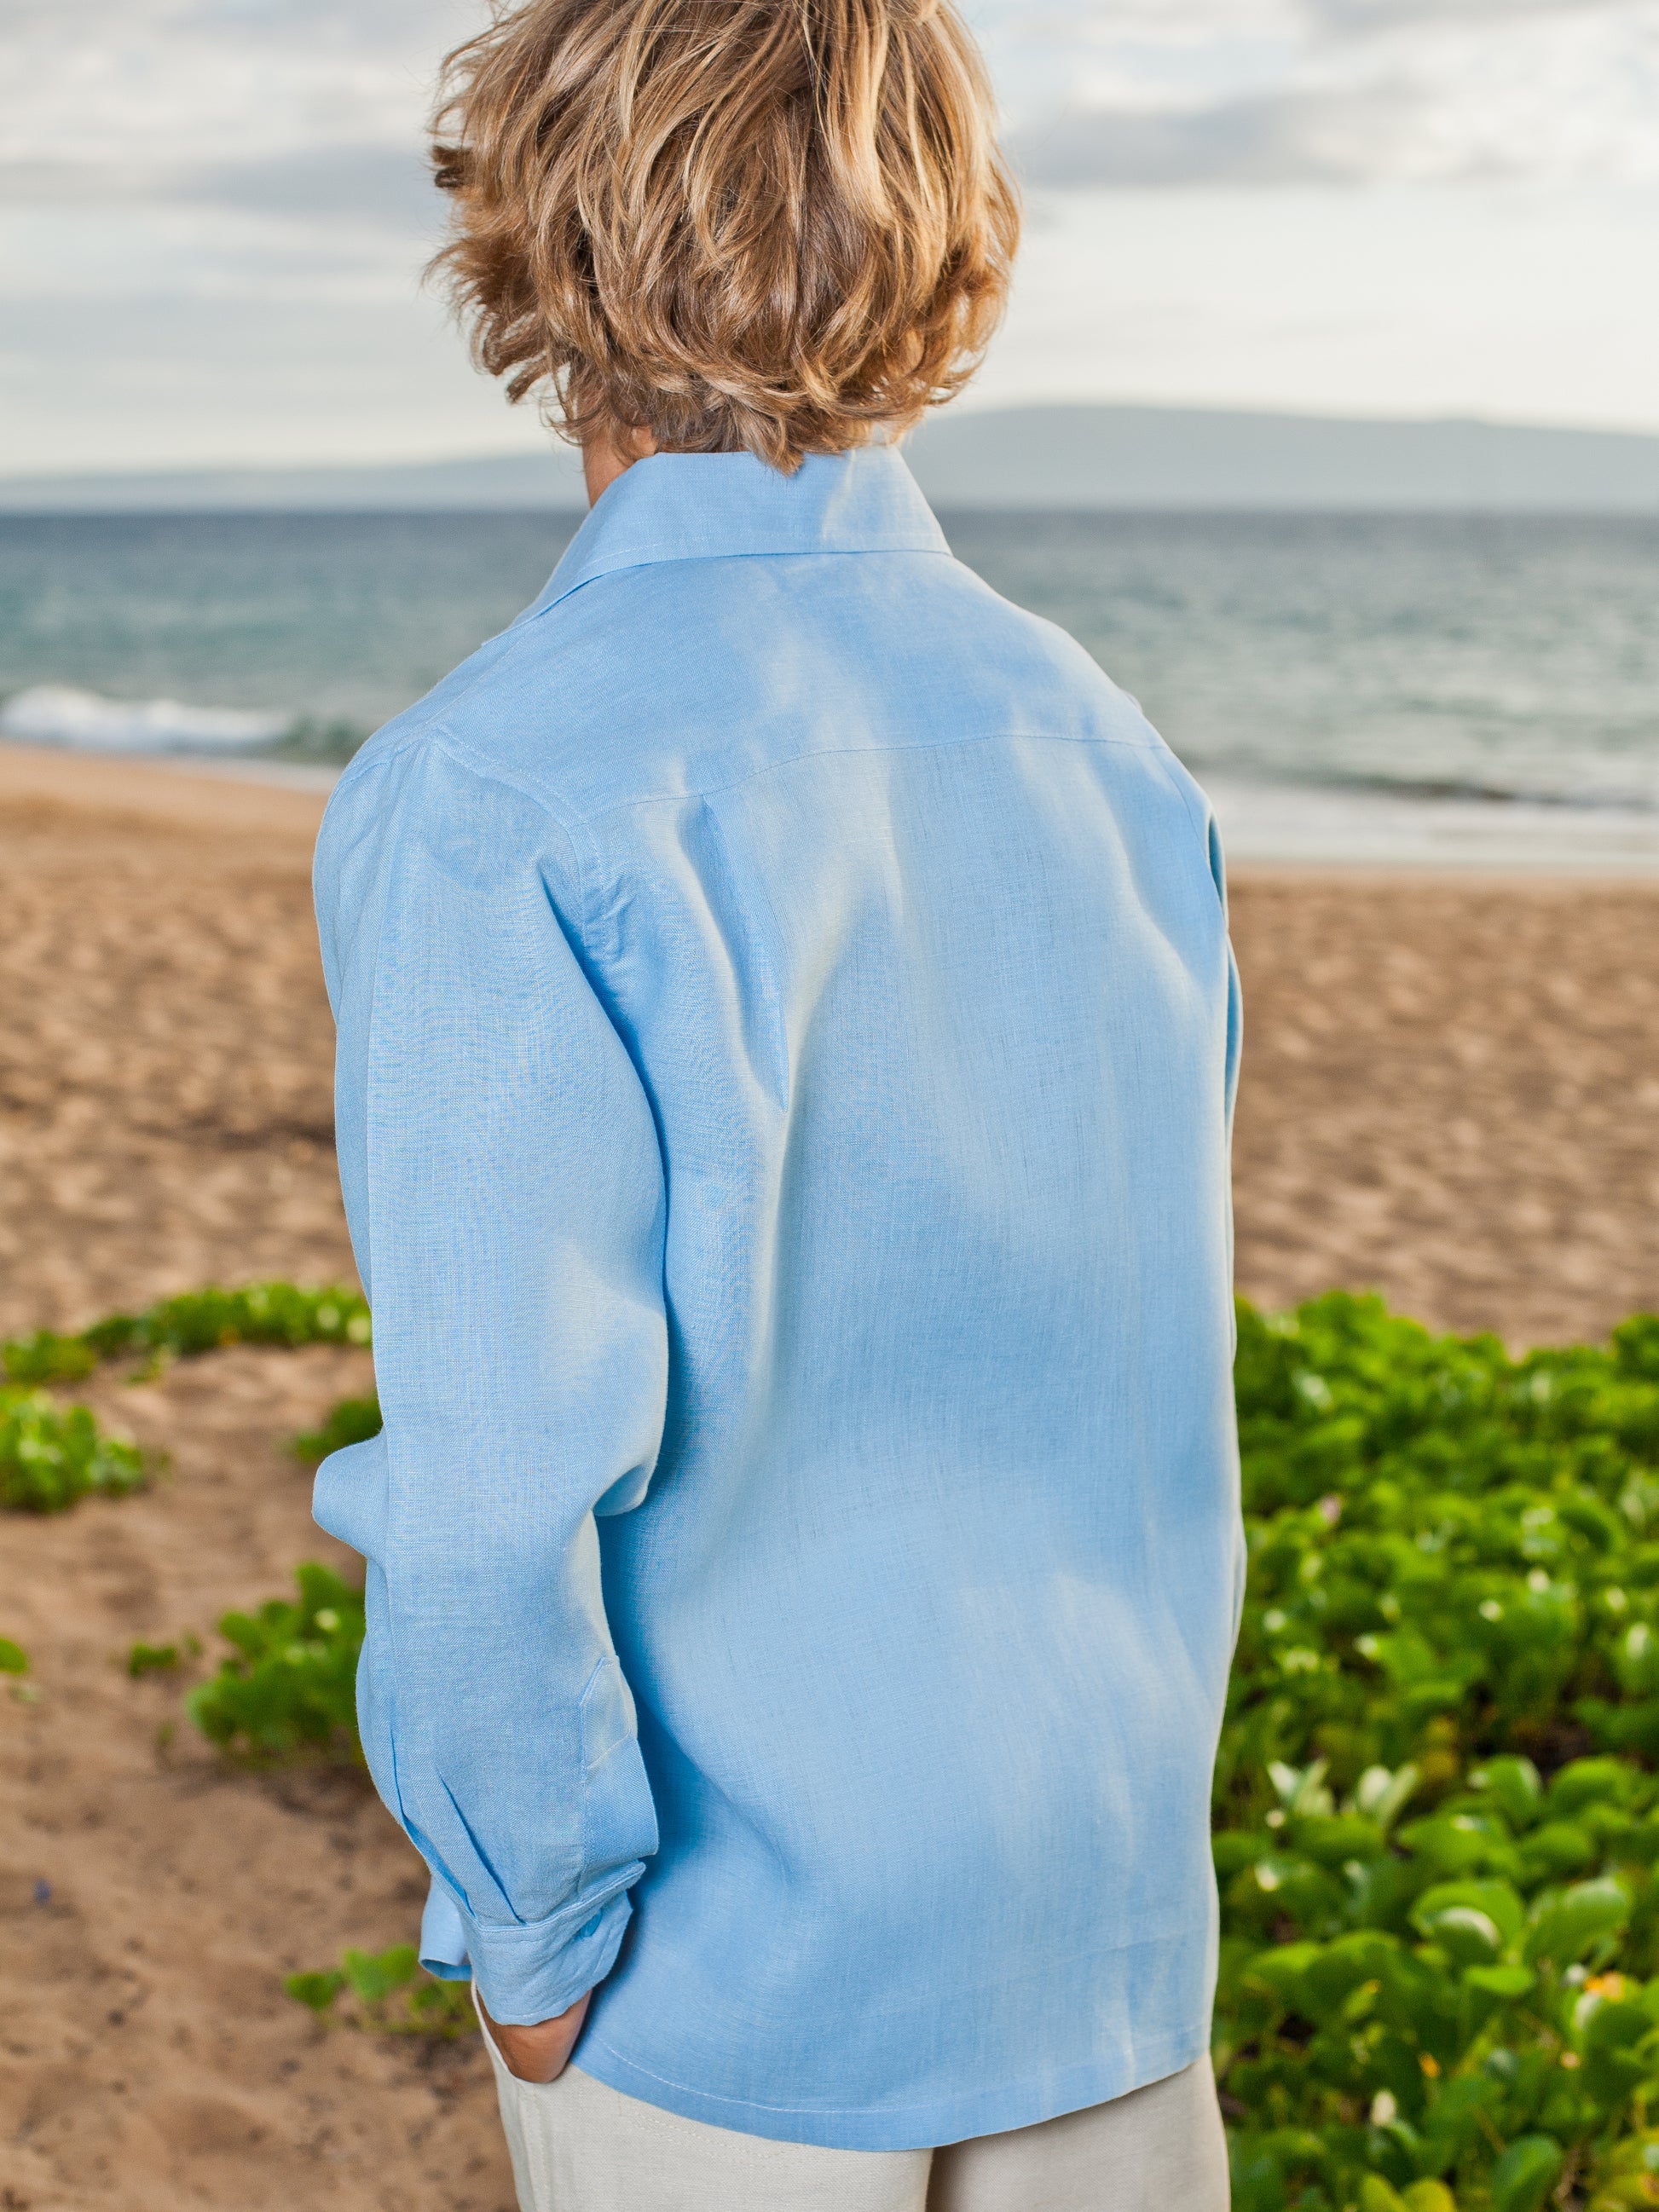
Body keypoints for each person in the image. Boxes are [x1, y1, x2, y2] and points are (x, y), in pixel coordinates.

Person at [310, 2, 1244, 2205]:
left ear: (534, 238)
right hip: (1105, 1941)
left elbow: (491, 1498)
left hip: (728, 2011)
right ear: (948, 232)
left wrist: (529, 1928)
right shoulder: (1101, 740)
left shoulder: (493, 786)